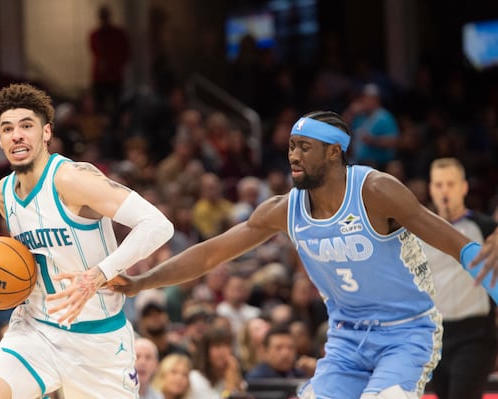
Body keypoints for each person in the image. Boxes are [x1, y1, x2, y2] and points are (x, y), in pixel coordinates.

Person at [109, 110, 498, 399]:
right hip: (346, 339)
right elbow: (210, 255)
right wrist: (142, 282)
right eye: (291, 146)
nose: (293, 155)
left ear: (333, 153)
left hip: (407, 332)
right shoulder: (284, 209)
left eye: (304, 147)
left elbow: (463, 249)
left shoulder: (376, 191)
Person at [0, 83, 174, 398]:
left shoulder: (72, 179)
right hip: (35, 330)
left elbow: (157, 225)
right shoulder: (3, 194)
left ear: (46, 132)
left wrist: (99, 273)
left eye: (26, 126)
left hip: (98, 341)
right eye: (7, 128)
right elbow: (26, 265)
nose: (17, 135)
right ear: (0, 139)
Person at [422, 157, 497, 399]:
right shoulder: (421, 232)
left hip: (475, 335)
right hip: (434, 336)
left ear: (464, 187)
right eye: (439, 184)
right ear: (431, 188)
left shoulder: (486, 229)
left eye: (451, 184)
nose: (445, 191)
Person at [88, 4, 130, 115]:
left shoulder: (118, 34)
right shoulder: (95, 35)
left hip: (114, 76)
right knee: (100, 108)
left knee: (117, 107)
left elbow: (125, 53)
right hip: (101, 78)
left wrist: (115, 65)